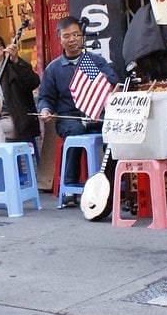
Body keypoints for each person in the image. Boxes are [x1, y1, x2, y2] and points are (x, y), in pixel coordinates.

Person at [37, 16, 119, 204]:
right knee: (75, 132)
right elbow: (45, 97)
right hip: (68, 117)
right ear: (60, 39)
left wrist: (106, 83)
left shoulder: (93, 61)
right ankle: (69, 188)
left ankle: (108, 183)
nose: (72, 39)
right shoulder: (54, 68)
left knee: (111, 131)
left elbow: (111, 82)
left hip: (96, 113)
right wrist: (45, 110)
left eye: (76, 35)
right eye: (67, 36)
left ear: (82, 38)